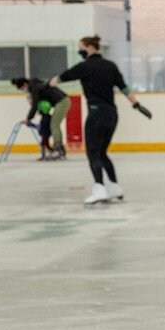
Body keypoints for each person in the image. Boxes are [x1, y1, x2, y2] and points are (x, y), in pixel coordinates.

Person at [54, 36, 150, 206]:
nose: (80, 51)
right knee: (102, 152)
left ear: (90, 48)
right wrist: (136, 104)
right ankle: (114, 187)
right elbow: (124, 87)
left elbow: (62, 78)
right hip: (112, 114)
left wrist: (51, 82)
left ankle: (99, 189)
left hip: (96, 114)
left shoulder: (85, 67)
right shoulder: (110, 66)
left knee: (92, 152)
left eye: (81, 48)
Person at [10, 75, 71, 160]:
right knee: (54, 125)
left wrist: (28, 119)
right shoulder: (36, 84)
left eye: (23, 89)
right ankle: (60, 150)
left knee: (54, 125)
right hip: (61, 101)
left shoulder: (35, 88)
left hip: (62, 102)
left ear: (25, 84)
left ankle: (58, 150)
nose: (24, 91)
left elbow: (34, 105)